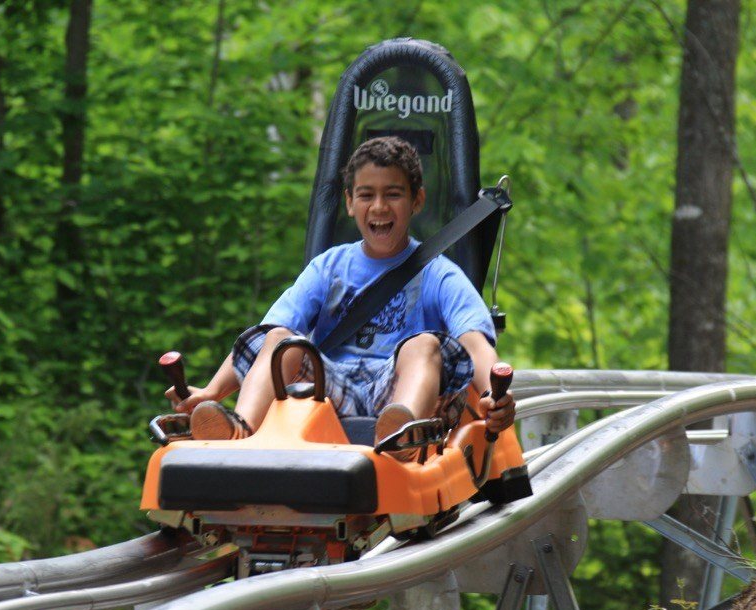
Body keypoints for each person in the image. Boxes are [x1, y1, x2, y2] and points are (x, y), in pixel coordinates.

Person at [166, 136, 515, 452]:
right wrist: (212, 392)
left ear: (416, 200)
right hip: (332, 387)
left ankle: (399, 440)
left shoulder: (439, 274)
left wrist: (491, 396)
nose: (379, 207)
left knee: (424, 345)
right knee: (280, 339)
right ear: (350, 203)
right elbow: (268, 337)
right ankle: (239, 434)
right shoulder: (329, 267)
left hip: (399, 388)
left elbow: (473, 342)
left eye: (392, 194)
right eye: (367, 195)